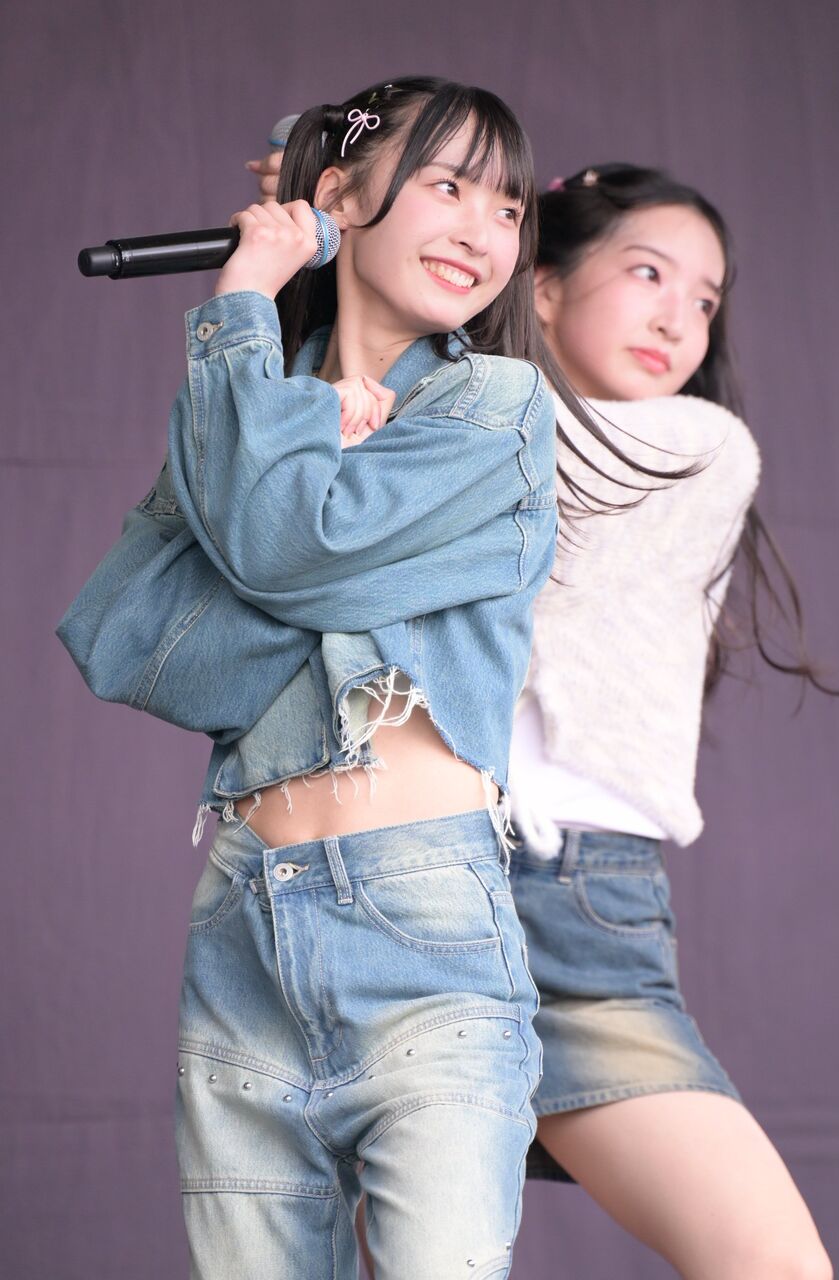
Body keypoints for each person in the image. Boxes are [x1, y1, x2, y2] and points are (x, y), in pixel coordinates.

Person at [59, 81, 669, 1280]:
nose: (484, 230)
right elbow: (132, 636)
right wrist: (293, 419)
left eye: (507, 207)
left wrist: (244, 300)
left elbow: (284, 549)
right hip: (243, 926)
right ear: (339, 201)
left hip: (423, 925)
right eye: (447, 186)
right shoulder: (267, 405)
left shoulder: (495, 409)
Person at [505, 165, 834, 1279]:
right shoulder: (442, 416)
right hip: (407, 880)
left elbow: (517, 461)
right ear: (543, 287)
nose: (678, 319)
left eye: (704, 299)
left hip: (576, 902)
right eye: (648, 274)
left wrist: (385, 251)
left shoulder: (698, 446)